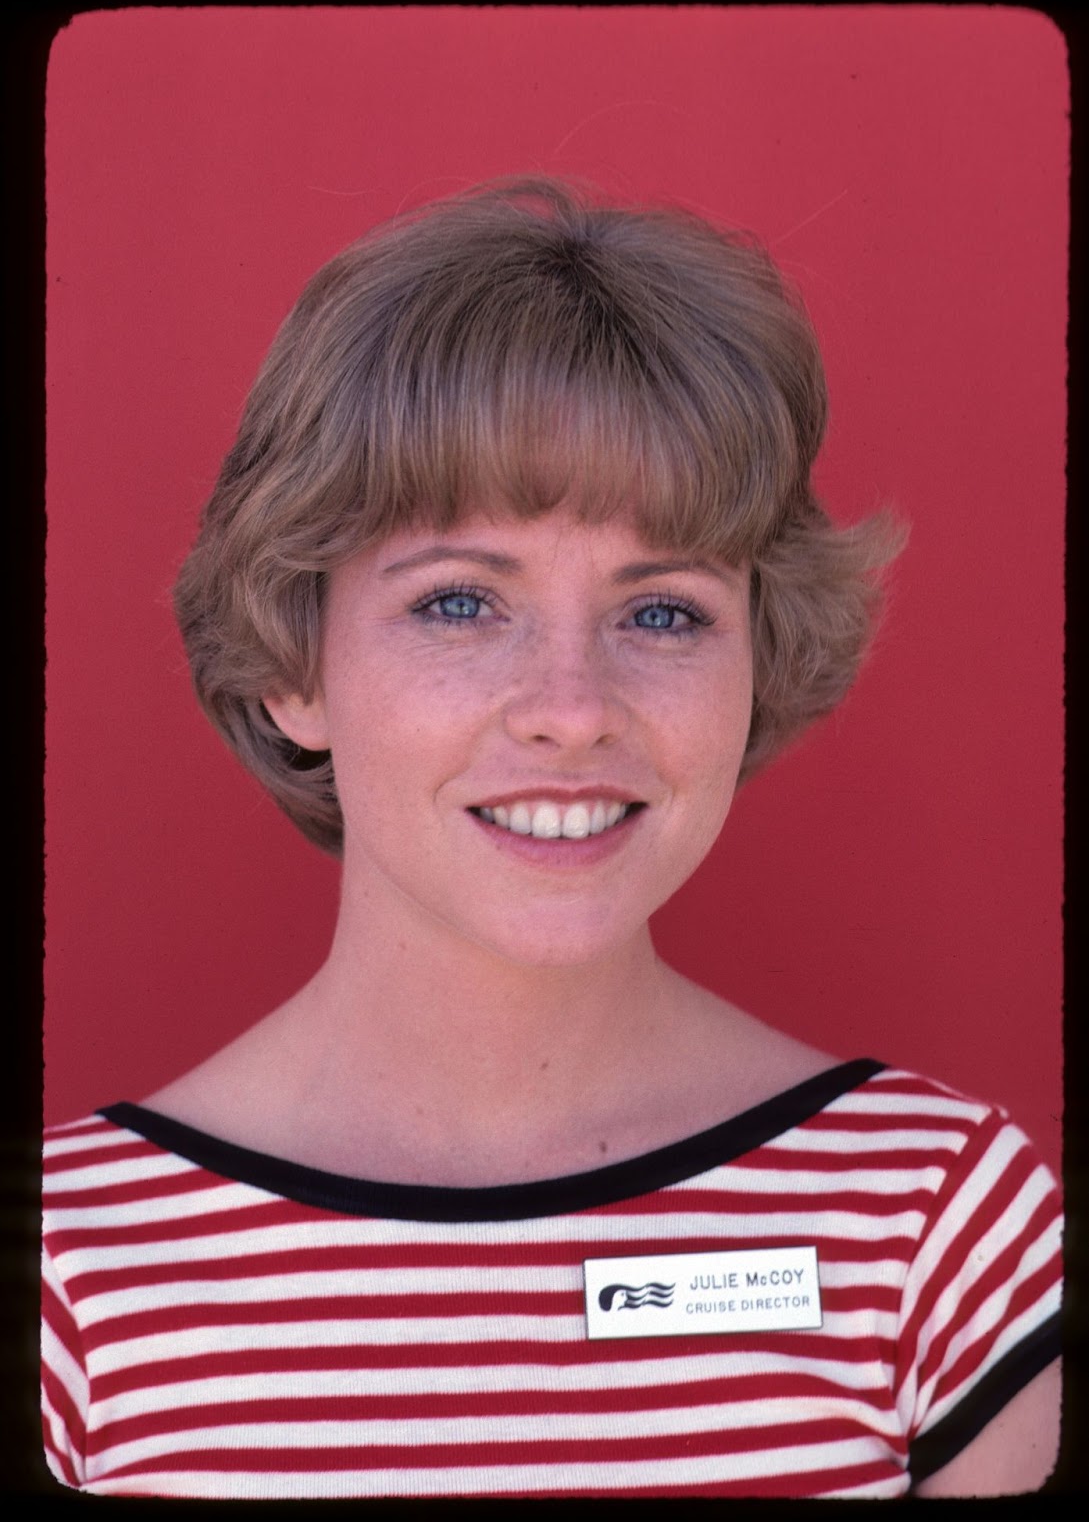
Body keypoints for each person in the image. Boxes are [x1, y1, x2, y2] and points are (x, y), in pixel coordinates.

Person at [41, 179, 1061, 1499]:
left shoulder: (939, 1230)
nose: (572, 713)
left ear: (759, 660)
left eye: (664, 615)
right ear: (292, 662)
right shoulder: (66, 1277)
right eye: (459, 602)